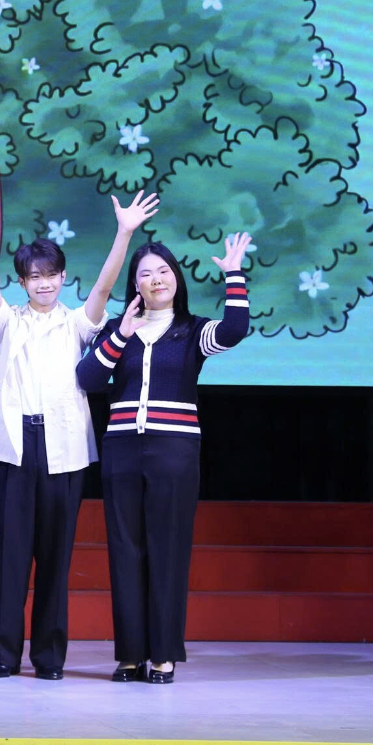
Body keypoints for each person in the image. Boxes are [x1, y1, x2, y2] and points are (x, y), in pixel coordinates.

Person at [0, 181, 157, 680]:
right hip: (11, 449)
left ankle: (48, 658)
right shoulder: (6, 321)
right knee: (7, 558)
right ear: (22, 281)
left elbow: (103, 287)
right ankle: (2, 656)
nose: (43, 284)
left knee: (55, 559)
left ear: (62, 276)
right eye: (33, 277)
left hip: (63, 449)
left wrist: (124, 233)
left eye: (50, 276)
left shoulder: (78, 323)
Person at [77, 233, 252, 684]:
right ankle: (130, 655)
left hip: (174, 450)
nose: (156, 279)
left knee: (168, 550)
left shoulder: (193, 330)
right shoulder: (119, 329)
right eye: (146, 274)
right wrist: (122, 333)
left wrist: (234, 273)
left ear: (176, 278)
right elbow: (88, 378)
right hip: (121, 449)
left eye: (163, 271)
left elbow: (235, 330)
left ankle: (164, 655)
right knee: (125, 550)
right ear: (135, 284)